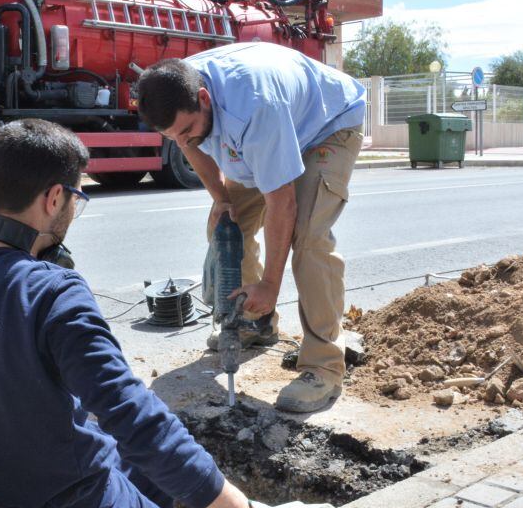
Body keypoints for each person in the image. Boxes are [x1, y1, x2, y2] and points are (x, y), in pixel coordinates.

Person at [0, 119, 358, 508]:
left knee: (138, 461)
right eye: (75, 198)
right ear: (55, 197)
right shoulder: (53, 294)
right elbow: (142, 426)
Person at [136, 43, 366, 414]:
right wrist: (220, 199)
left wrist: (271, 285)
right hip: (264, 131)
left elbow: (282, 202)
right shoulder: (181, 91)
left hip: (325, 127)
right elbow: (191, 144)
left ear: (204, 98)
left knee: (308, 240)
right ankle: (253, 323)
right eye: (173, 137)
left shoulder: (255, 107)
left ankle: (323, 367)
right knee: (227, 226)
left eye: (188, 130)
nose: (183, 142)